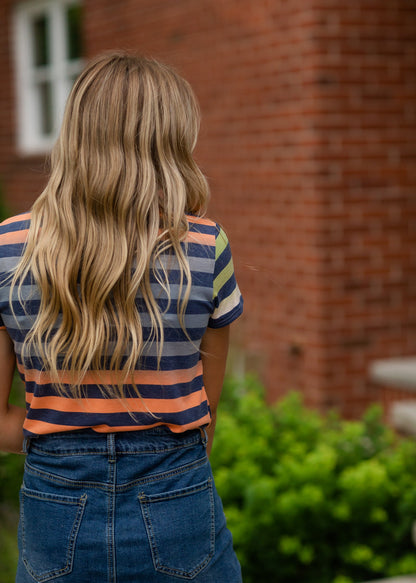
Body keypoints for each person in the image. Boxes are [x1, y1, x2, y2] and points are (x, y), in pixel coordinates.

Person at [0, 52, 243, 582]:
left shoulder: (8, 247)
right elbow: (206, 412)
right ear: (169, 139)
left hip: (53, 503)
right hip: (176, 496)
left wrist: (59, 435)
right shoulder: (205, 247)